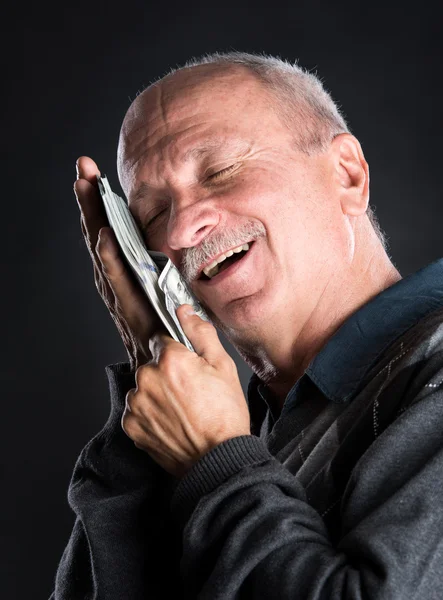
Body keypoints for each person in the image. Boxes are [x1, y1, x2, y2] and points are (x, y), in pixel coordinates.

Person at [50, 52, 443, 599]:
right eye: (153, 215)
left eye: (221, 171)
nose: (184, 229)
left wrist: (216, 462)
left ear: (347, 175)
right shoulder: (230, 426)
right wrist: (157, 361)